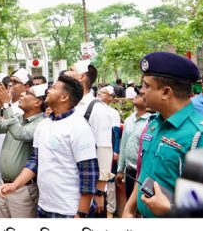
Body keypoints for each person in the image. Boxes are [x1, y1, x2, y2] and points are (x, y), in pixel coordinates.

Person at [0, 75, 99, 218]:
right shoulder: (44, 125)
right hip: (44, 206)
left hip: (68, 210)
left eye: (53, 88)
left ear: (64, 97)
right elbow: (35, 161)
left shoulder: (79, 127)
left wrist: (81, 214)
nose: (48, 91)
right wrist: (15, 185)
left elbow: (89, 173)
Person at [123, 52, 203, 218]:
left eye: (146, 86)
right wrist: (129, 208)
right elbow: (145, 173)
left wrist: (171, 209)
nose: (141, 91)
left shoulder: (198, 135)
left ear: (166, 92)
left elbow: (198, 205)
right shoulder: (154, 124)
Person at [0, 83, 46, 218]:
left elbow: (21, 134)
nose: (22, 94)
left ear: (38, 102)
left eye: (27, 93)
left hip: (23, 189)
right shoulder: (18, 117)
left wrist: (6, 105)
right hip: (4, 184)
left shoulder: (41, 123)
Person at [65, 61, 113, 217]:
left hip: (90, 187)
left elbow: (104, 149)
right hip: (69, 184)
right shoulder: (69, 104)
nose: (66, 71)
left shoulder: (97, 109)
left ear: (81, 77)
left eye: (71, 69)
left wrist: (99, 191)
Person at [116, 92, 151, 200]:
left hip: (143, 173)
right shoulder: (129, 120)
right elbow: (124, 145)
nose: (136, 96)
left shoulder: (151, 122)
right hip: (130, 170)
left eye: (140, 95)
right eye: (137, 94)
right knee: (129, 201)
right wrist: (121, 169)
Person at [96, 85, 122, 218]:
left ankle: (110, 211)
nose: (99, 93)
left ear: (110, 97)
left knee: (108, 180)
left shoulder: (113, 113)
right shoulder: (93, 109)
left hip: (109, 152)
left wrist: (115, 152)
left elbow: (115, 134)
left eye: (103, 92)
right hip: (96, 151)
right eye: (99, 92)